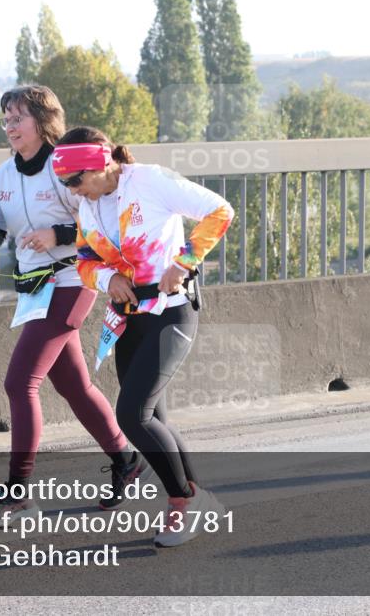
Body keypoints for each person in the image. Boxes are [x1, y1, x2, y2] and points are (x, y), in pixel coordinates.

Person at [0, 87, 150, 522]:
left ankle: (17, 492)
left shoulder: (63, 165)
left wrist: (58, 236)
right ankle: (127, 460)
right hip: (32, 287)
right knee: (71, 385)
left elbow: (97, 224)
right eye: (6, 120)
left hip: (74, 277)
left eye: (17, 118)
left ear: (43, 121)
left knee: (20, 383)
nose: (9, 127)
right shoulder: (3, 175)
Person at [52, 126, 234, 547]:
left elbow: (220, 211)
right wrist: (108, 276)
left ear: (101, 163)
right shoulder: (89, 203)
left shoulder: (149, 180)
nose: (72, 190)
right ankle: (197, 497)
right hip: (128, 318)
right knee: (154, 419)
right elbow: (83, 258)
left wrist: (185, 261)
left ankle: (183, 503)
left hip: (171, 311)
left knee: (132, 415)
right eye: (64, 183)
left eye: (75, 180)